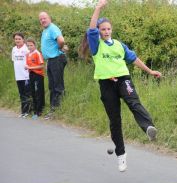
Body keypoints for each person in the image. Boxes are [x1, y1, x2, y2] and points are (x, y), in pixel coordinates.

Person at [81, 0, 162, 172]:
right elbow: (92, 29)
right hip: (106, 84)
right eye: (103, 29)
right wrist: (98, 8)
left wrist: (149, 71)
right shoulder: (96, 45)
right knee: (115, 120)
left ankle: (148, 127)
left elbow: (133, 59)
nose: (106, 31)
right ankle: (121, 155)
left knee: (134, 102)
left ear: (112, 30)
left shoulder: (119, 45)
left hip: (123, 79)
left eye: (108, 29)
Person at [39, 11, 67, 119]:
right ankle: (54, 108)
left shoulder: (52, 28)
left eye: (44, 18)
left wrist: (60, 48)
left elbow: (61, 40)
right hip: (51, 60)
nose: (42, 20)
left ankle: (55, 111)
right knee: (52, 86)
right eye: (41, 19)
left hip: (57, 59)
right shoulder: (45, 30)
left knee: (57, 85)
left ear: (49, 18)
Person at [11, 32, 31, 118]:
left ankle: (28, 111)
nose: (17, 40)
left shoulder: (26, 49)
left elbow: (30, 61)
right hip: (18, 76)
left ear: (23, 39)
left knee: (27, 93)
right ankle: (23, 111)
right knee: (21, 93)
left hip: (26, 75)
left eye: (19, 39)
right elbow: (14, 60)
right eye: (16, 39)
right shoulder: (14, 49)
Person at [25, 38, 45, 119]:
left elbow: (41, 66)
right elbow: (28, 66)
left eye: (31, 45)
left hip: (38, 75)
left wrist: (30, 67)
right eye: (28, 45)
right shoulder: (27, 54)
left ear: (35, 45)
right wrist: (27, 67)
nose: (30, 47)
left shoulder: (37, 53)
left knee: (38, 92)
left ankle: (39, 111)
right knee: (33, 92)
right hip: (31, 74)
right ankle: (35, 110)